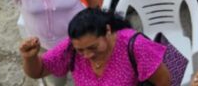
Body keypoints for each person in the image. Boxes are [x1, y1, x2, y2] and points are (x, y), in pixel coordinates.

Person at [19, 8, 170, 85]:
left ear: (108, 31)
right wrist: (30, 58)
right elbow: (39, 71)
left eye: (93, 47)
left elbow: (163, 82)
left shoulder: (135, 45)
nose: (87, 55)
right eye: (80, 50)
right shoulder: (71, 47)